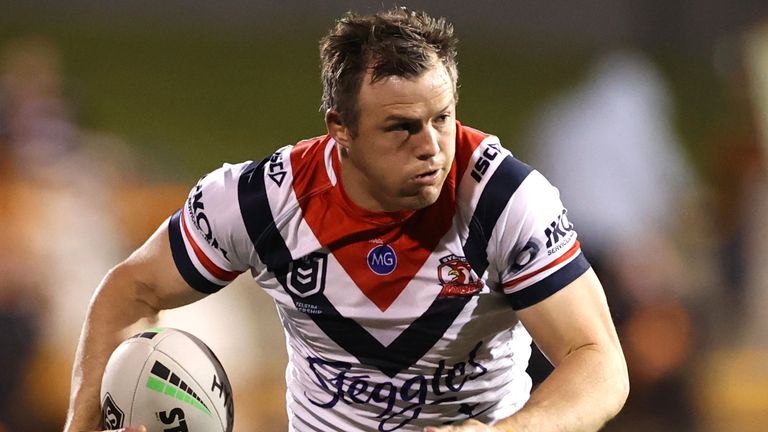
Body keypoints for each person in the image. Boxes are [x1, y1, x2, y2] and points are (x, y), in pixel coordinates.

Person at [64, 8, 628, 432]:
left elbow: (599, 361)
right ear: (341, 128)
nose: (433, 147)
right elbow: (130, 290)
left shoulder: (504, 199)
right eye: (402, 127)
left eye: (444, 118)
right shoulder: (260, 201)